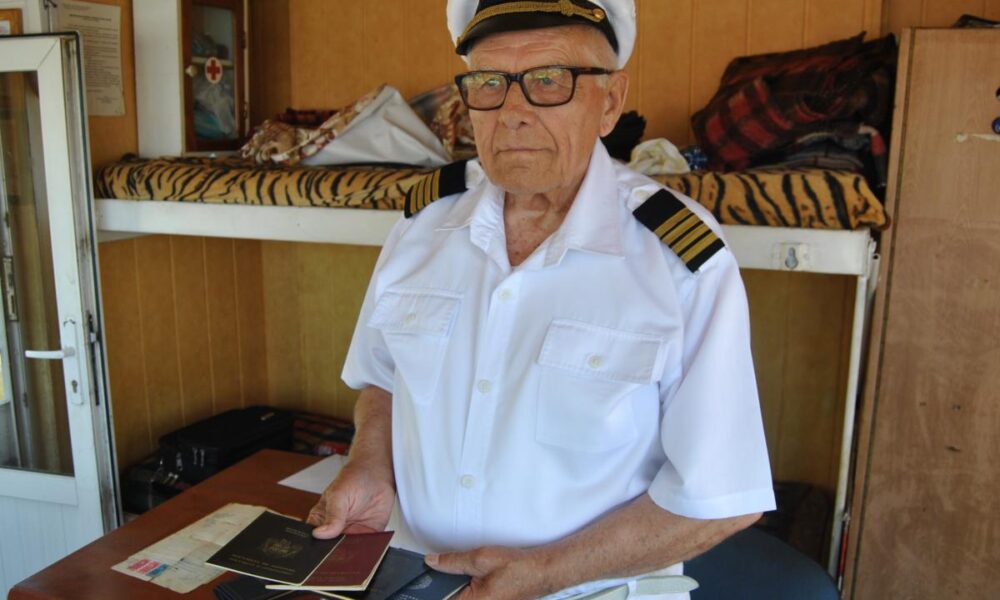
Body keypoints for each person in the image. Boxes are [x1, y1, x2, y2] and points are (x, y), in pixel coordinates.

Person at [307, 1, 775, 598]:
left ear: (611, 101)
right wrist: (369, 464)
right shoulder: (423, 228)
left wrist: (547, 572)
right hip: (418, 581)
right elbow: (384, 378)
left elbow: (721, 498)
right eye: (489, 83)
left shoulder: (679, 260)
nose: (513, 114)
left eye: (550, 81)